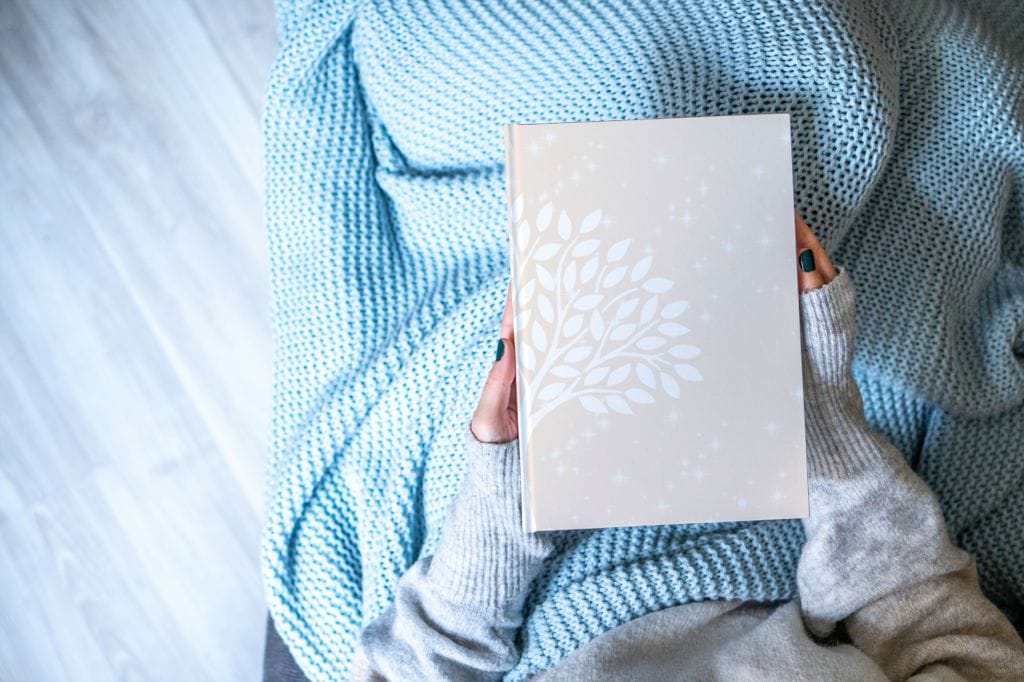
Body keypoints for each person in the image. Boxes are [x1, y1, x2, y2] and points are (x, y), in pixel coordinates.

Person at [349, 213, 1024, 680]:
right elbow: (955, 646)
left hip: (514, 564)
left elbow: (412, 663)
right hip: (812, 521)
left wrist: (502, 509)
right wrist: (830, 439)